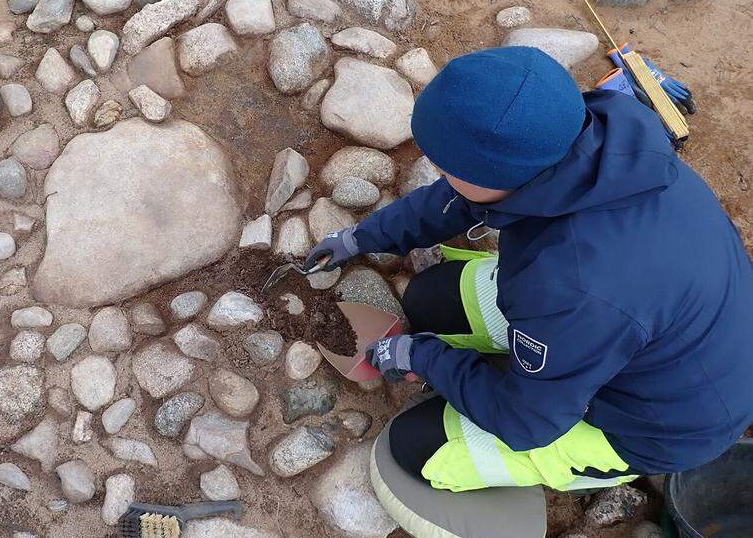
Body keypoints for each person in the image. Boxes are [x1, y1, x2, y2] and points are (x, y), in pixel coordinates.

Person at [306, 46, 753, 493]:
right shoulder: (591, 135)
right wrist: (361, 238)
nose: (437, 168)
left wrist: (420, 357)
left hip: (662, 422)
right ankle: (545, 370)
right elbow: (463, 195)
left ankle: (591, 451)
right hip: (658, 326)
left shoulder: (570, 286)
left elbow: (525, 423)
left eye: (444, 163)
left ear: (496, 176)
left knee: (414, 446)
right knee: (427, 299)